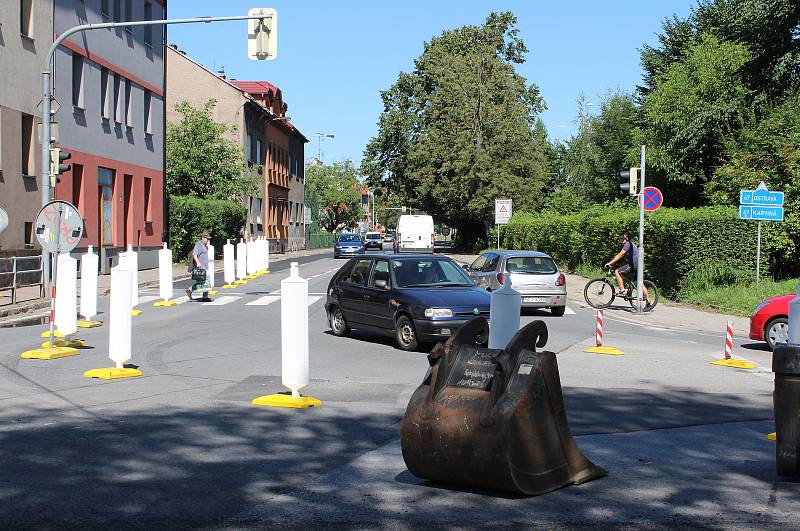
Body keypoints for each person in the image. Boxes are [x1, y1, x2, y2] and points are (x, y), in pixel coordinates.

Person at [605, 230, 639, 295]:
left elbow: (620, 255)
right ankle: (648, 301)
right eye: (620, 238)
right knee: (639, 283)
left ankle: (622, 289)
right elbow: (621, 257)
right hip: (638, 264)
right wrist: (614, 263)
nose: (621, 240)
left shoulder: (627, 244)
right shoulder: (630, 244)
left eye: (622, 238)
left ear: (626, 238)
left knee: (617, 271)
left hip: (634, 264)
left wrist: (609, 263)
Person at [187, 231, 210, 300]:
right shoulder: (198, 244)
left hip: (205, 266)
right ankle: (205, 296)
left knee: (203, 282)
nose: (208, 240)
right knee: (206, 282)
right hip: (201, 266)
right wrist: (198, 262)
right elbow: (194, 254)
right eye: (207, 239)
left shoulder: (204, 246)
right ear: (203, 238)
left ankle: (190, 290)